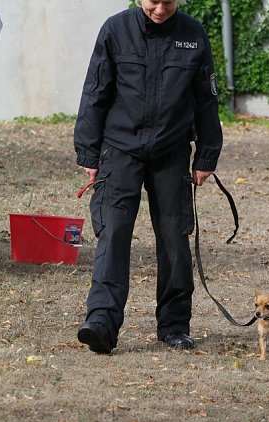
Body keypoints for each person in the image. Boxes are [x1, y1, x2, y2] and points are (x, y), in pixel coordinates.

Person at [74, 0, 223, 354]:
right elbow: (95, 92)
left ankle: (174, 325)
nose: (159, 9)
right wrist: (88, 151)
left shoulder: (193, 34)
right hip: (119, 150)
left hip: (171, 153)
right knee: (113, 233)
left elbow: (206, 99)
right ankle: (101, 322)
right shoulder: (115, 30)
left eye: (168, 2)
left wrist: (206, 155)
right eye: (153, 1)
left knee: (174, 238)